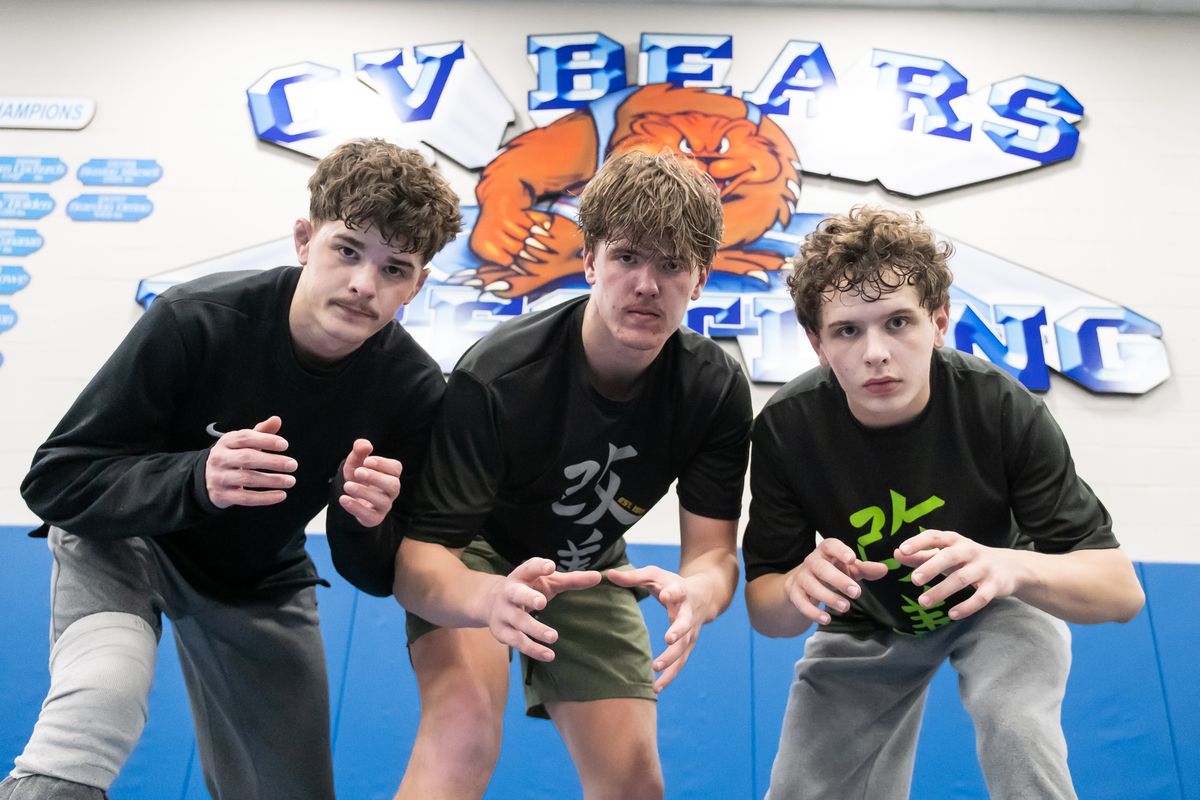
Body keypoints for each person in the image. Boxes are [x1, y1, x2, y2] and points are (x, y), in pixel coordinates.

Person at [0, 138, 461, 800]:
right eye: (348, 250)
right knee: (98, 705)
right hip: (128, 542)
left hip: (254, 574)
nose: (365, 284)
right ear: (305, 239)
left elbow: (371, 573)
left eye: (395, 269)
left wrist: (363, 518)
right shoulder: (195, 319)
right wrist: (197, 477)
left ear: (417, 285)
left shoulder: (412, 386)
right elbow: (55, 480)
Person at [742, 205, 1146, 800]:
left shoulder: (1000, 408)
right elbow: (766, 613)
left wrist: (1011, 565)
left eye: (898, 323)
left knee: (1016, 724)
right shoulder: (786, 429)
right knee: (801, 786)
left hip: (999, 599)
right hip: (866, 619)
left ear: (939, 322)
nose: (876, 352)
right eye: (848, 330)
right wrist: (799, 586)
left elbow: (1122, 593)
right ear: (817, 344)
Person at [390, 149, 753, 799]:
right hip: (473, 554)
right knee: (463, 737)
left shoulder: (715, 388)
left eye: (671, 265)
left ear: (700, 280)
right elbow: (420, 565)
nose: (647, 284)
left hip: (589, 561)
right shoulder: (499, 375)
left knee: (635, 785)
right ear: (588, 261)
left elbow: (714, 556)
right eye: (626, 258)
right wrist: (486, 598)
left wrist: (698, 594)